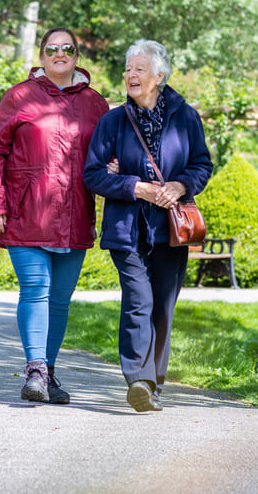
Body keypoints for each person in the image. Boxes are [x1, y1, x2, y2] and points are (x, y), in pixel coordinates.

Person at [0, 27, 110, 404]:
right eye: (52, 48)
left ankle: (47, 374)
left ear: (77, 55)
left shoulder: (95, 104)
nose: (59, 53)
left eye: (67, 48)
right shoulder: (19, 96)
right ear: (41, 55)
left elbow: (107, 154)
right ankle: (34, 368)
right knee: (36, 290)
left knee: (60, 301)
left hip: (74, 214)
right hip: (26, 213)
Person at [83, 39, 213, 412]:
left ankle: (154, 383)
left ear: (159, 75)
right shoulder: (112, 121)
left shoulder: (185, 117)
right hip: (127, 228)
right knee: (139, 301)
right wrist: (134, 186)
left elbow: (202, 164)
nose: (131, 75)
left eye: (139, 69)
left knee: (163, 308)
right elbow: (92, 174)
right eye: (128, 69)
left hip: (171, 230)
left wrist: (180, 184)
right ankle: (137, 379)